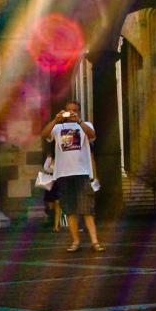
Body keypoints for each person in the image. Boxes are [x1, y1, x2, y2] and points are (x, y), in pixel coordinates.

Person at [41, 100, 103, 252]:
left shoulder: (85, 125)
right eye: (68, 111)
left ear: (79, 111)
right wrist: (56, 119)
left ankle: (95, 242)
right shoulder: (57, 127)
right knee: (70, 210)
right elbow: (44, 134)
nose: (71, 114)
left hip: (82, 173)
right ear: (64, 111)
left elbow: (93, 135)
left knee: (87, 209)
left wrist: (79, 121)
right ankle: (75, 241)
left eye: (74, 110)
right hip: (63, 174)